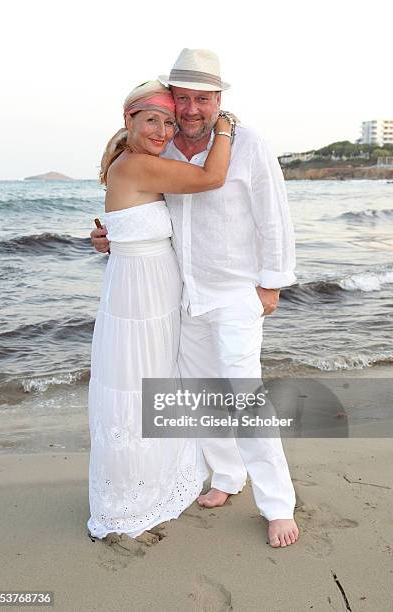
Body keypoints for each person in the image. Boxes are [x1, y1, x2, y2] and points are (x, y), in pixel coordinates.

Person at [91, 49, 299, 548]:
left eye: (201, 99)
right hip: (182, 295)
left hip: (235, 294)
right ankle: (226, 477)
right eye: (182, 98)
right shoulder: (161, 150)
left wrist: (271, 283)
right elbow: (140, 211)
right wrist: (110, 237)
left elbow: (275, 218)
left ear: (218, 99)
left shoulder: (247, 144)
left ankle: (278, 505)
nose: (189, 110)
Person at [87, 80, 234, 540]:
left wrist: (108, 237)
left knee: (149, 384)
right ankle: (132, 493)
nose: (163, 129)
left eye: (169, 121)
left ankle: (152, 481)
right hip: (140, 297)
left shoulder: (137, 165)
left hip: (149, 290)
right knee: (138, 386)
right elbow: (212, 177)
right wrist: (226, 128)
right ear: (129, 119)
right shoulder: (137, 167)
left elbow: (132, 225)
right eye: (153, 119)